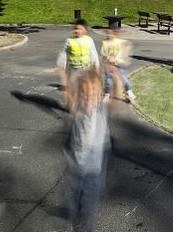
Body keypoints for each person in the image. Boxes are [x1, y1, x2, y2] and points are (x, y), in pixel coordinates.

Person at [64, 71, 110, 232]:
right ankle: (78, 222)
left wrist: (116, 76)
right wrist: (73, 77)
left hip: (92, 172)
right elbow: (71, 94)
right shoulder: (77, 112)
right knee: (76, 204)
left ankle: (84, 227)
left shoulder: (101, 111)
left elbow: (114, 100)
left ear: (99, 96)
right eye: (85, 95)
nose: (89, 98)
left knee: (87, 209)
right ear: (79, 96)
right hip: (76, 169)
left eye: (93, 95)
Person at [57, 19, 100, 111]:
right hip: (73, 70)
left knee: (85, 89)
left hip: (86, 69)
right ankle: (71, 107)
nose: (77, 31)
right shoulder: (69, 41)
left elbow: (94, 54)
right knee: (72, 90)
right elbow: (63, 53)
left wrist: (96, 66)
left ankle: (86, 106)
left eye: (80, 29)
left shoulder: (89, 40)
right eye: (75, 28)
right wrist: (61, 66)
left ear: (85, 30)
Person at [100, 24, 136, 104]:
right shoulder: (104, 42)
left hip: (118, 64)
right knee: (108, 81)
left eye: (111, 33)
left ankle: (130, 92)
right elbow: (102, 52)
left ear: (114, 34)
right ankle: (107, 94)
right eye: (108, 33)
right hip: (109, 65)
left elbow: (122, 50)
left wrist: (116, 58)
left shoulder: (118, 42)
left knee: (124, 79)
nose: (109, 35)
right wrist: (107, 56)